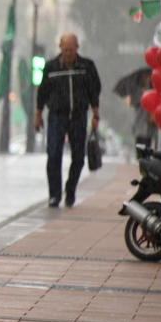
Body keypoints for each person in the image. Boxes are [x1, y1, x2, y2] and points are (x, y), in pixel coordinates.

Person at [34, 33, 101, 208]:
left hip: (79, 116)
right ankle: (54, 195)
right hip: (57, 116)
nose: (68, 54)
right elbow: (42, 92)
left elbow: (95, 90)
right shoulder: (51, 67)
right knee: (53, 154)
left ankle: (70, 189)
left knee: (78, 157)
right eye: (65, 50)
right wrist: (38, 114)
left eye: (71, 50)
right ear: (60, 48)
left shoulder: (86, 66)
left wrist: (95, 113)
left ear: (77, 48)